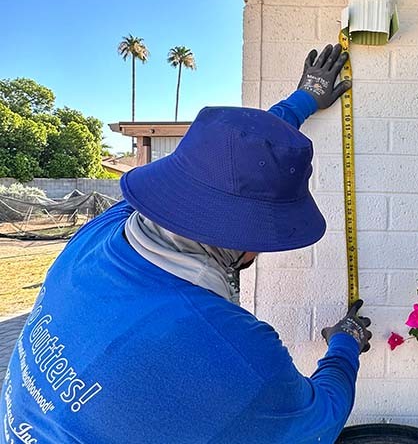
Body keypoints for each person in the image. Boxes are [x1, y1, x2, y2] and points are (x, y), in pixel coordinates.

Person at [1, 44, 373, 444]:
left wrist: (300, 103)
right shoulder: (232, 352)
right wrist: (344, 343)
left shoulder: (103, 230)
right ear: (251, 238)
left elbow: (229, 162)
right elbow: (319, 420)